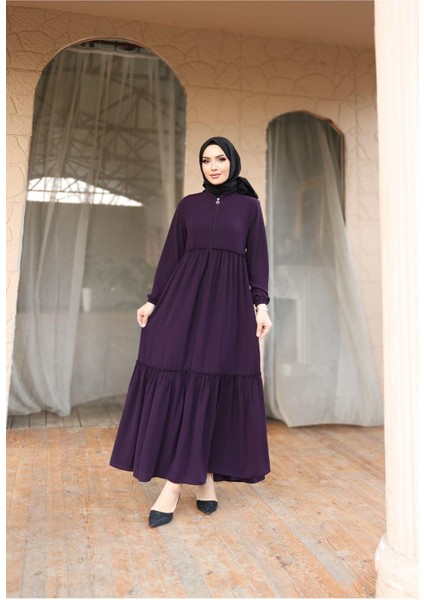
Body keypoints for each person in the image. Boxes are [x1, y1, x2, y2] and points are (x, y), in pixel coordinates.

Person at [110, 136, 272, 528]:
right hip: (184, 302)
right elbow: (171, 256)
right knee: (183, 380)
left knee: (211, 383)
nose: (213, 166)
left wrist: (261, 305)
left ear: (232, 162)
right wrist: (153, 301)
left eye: (220, 159)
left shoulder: (249, 207)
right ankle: (198, 481)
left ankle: (181, 483)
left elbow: (258, 259)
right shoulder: (188, 206)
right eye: (206, 160)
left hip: (228, 308)